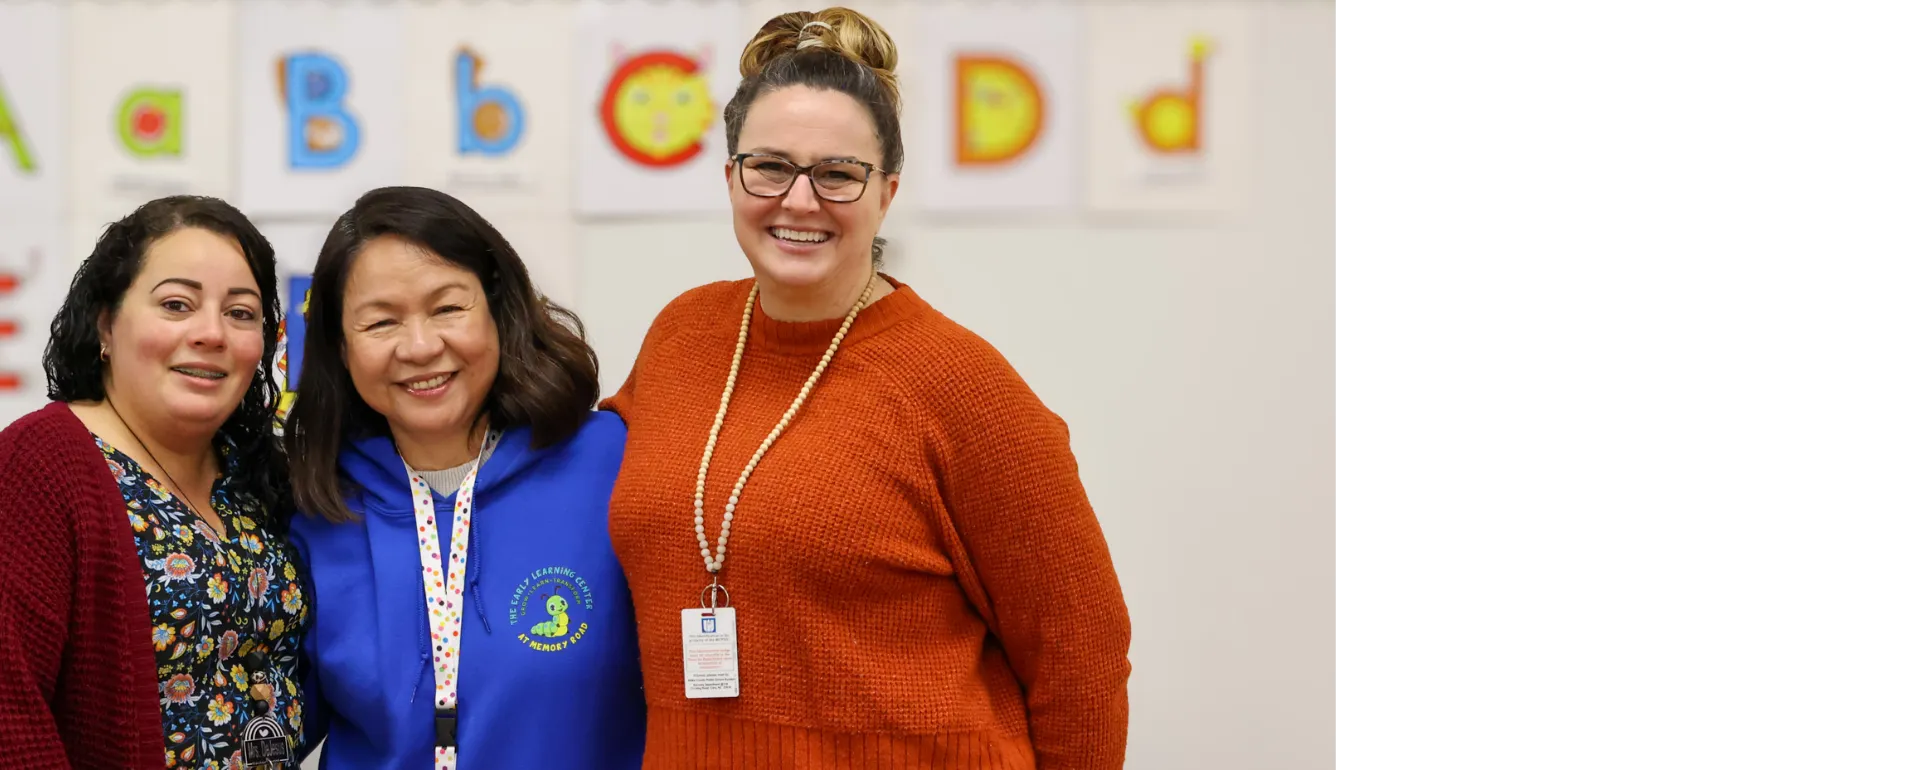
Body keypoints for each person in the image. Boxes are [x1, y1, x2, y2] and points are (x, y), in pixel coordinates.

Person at [600, 8, 1132, 768]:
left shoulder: (961, 386)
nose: (800, 200)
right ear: (730, 178)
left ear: (886, 193)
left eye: (838, 175)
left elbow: (1081, 655)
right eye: (771, 166)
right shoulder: (682, 335)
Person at [283, 186, 645, 769]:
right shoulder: (314, 502)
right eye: (380, 322)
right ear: (340, 348)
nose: (421, 347)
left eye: (448, 308)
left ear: (499, 312)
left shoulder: (612, 465)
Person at [0, 196, 308, 768]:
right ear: (105, 325)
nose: (212, 333)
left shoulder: (260, 474)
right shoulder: (39, 465)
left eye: (241, 313)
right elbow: (8, 715)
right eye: (176, 304)